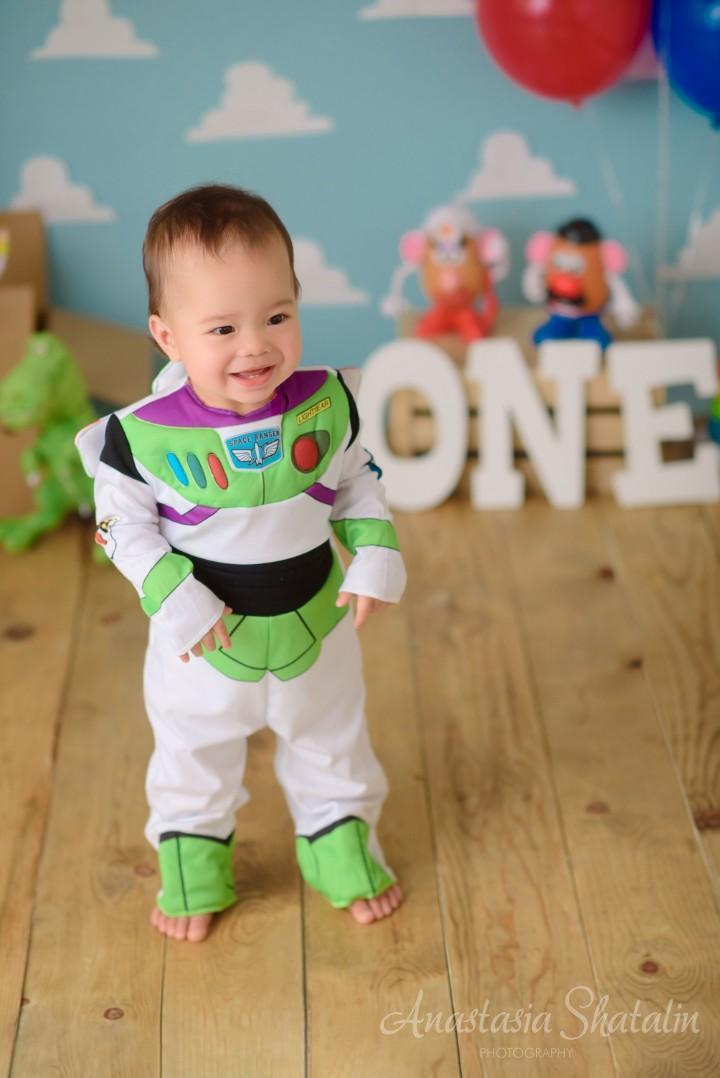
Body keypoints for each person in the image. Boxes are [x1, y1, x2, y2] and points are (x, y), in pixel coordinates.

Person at [75, 183, 407, 942]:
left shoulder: (327, 404)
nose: (255, 345)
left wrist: (375, 549)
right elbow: (121, 527)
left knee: (334, 742)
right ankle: (193, 869)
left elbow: (355, 481)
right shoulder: (140, 439)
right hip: (201, 643)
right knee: (192, 755)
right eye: (223, 327)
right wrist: (175, 595)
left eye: (277, 317)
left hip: (317, 623)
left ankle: (342, 847)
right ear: (168, 336)